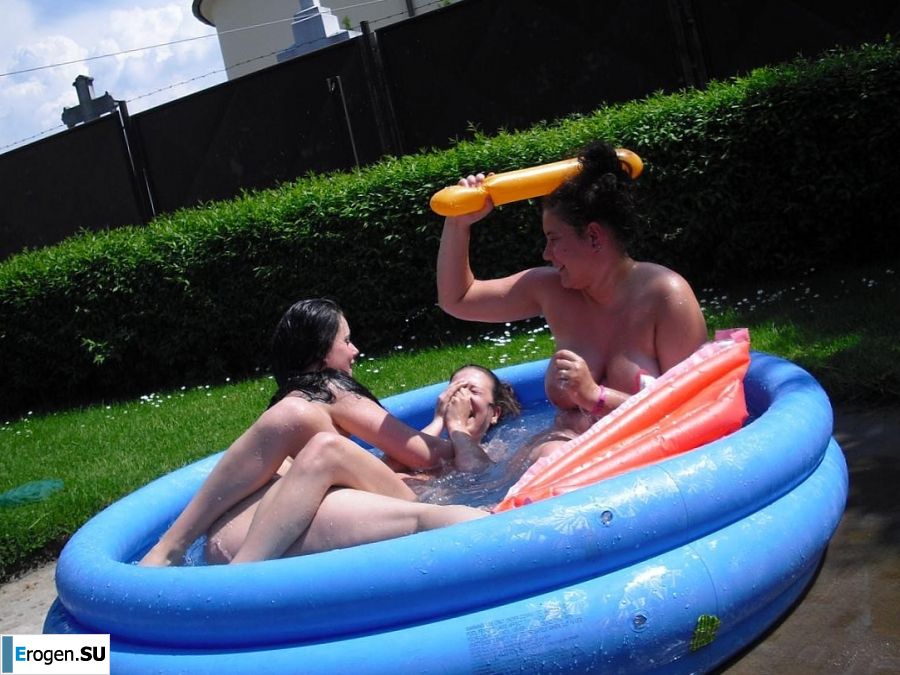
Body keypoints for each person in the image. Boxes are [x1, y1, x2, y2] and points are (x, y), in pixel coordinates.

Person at [140, 299, 511, 566]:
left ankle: (172, 547)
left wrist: (450, 425)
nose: (355, 350)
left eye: (472, 391)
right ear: (322, 353)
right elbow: (424, 454)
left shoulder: (293, 406)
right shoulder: (331, 390)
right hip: (279, 530)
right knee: (319, 441)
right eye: (346, 341)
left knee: (312, 435)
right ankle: (200, 564)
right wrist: (451, 425)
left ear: (495, 412)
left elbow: (426, 456)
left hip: (238, 538)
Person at [436, 141, 708, 460]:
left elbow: (692, 407)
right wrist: (458, 224)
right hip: (562, 458)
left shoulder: (664, 295)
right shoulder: (551, 290)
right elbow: (458, 299)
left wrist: (595, 396)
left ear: (593, 236)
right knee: (544, 456)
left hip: (644, 458)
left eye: (554, 240)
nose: (546, 253)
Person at [204, 363, 521, 562]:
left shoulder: (499, 447)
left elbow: (476, 474)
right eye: (453, 388)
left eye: (471, 390)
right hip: (378, 502)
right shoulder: (432, 438)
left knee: (327, 450)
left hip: (425, 509)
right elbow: (392, 464)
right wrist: (438, 421)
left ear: (494, 413)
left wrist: (457, 428)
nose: (459, 396)